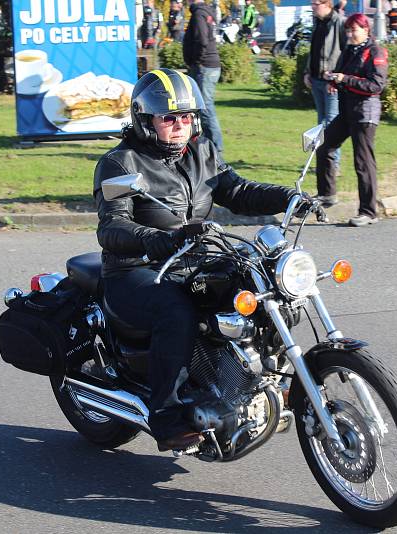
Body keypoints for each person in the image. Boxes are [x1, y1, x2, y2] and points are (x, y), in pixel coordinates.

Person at [93, 68, 307, 451]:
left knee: (265, 282)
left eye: (187, 116)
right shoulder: (121, 163)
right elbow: (112, 228)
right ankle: (167, 414)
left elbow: (237, 190)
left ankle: (267, 379)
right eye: (169, 118)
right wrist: (164, 239)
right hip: (138, 270)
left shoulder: (201, 151)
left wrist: (288, 197)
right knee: (177, 311)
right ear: (145, 120)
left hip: (195, 258)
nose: (179, 125)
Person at [316, 13, 388, 227]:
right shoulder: (350, 49)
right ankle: (327, 194)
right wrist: (334, 80)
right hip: (347, 111)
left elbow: (376, 85)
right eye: (348, 30)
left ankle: (368, 211)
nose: (350, 34)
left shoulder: (376, 51)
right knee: (324, 146)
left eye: (354, 30)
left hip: (365, 113)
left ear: (366, 30)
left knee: (363, 162)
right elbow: (343, 74)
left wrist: (344, 79)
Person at [304, 0, 347, 186]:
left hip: (331, 83)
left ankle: (333, 164)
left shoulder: (338, 22)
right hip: (316, 80)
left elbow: (345, 52)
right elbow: (313, 51)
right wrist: (307, 72)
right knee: (321, 122)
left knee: (331, 123)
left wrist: (337, 78)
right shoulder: (318, 23)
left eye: (315, 4)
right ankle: (324, 161)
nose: (312, 7)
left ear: (326, 4)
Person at [183, 0, 225, 154]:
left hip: (204, 66)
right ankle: (205, 144)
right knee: (201, 106)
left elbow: (202, 40)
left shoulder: (199, 14)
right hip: (209, 65)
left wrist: (196, 61)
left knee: (205, 107)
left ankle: (216, 146)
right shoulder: (207, 12)